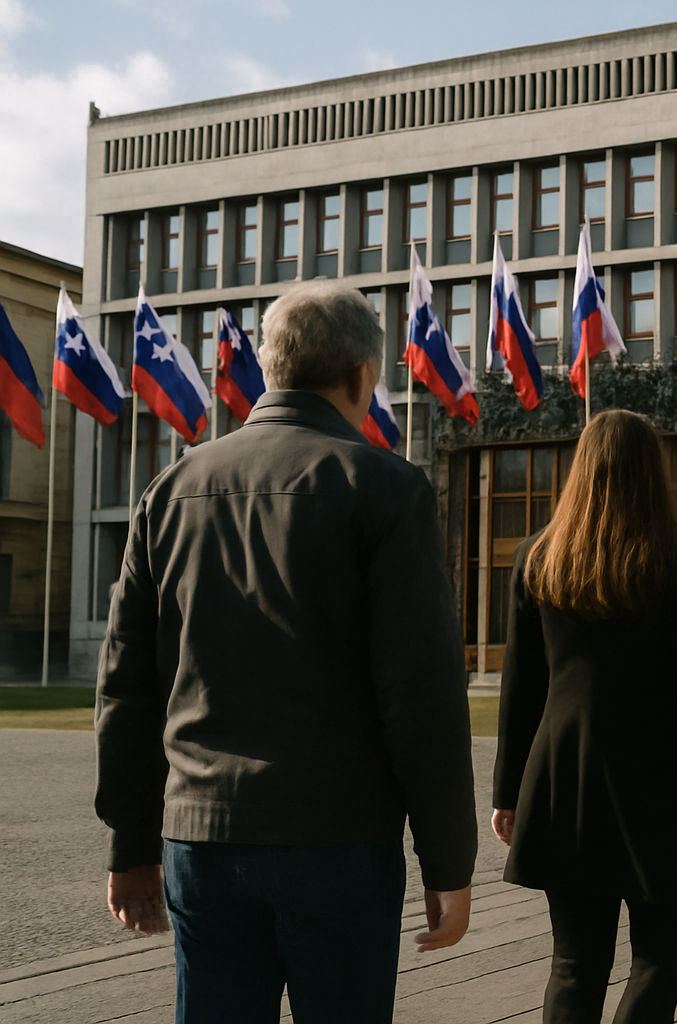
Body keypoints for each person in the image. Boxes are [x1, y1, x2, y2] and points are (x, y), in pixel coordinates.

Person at [94, 281, 478, 1023]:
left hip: (200, 838)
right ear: (362, 376)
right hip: (338, 842)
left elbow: (126, 686)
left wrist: (129, 842)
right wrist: (448, 862)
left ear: (269, 368)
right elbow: (422, 696)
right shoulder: (386, 488)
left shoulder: (169, 491)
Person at [491, 409, 677, 1024]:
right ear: (650, 471)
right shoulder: (676, 559)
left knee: (574, 964)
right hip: (655, 780)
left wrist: (507, 793)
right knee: (660, 959)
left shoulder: (538, 557)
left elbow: (520, 689)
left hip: (564, 777)